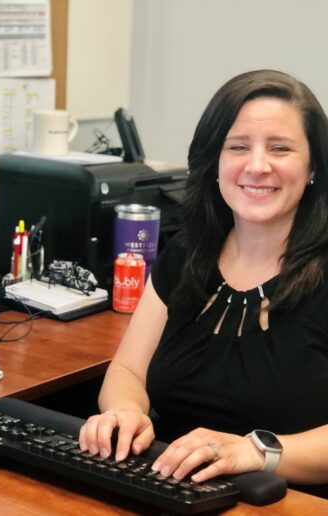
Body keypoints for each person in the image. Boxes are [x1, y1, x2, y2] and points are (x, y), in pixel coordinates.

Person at [79, 69, 328, 494]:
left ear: (313, 169)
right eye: (238, 147)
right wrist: (125, 412)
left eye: (280, 148)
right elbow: (127, 370)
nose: (257, 165)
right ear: (215, 163)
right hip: (173, 493)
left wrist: (258, 452)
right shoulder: (187, 255)